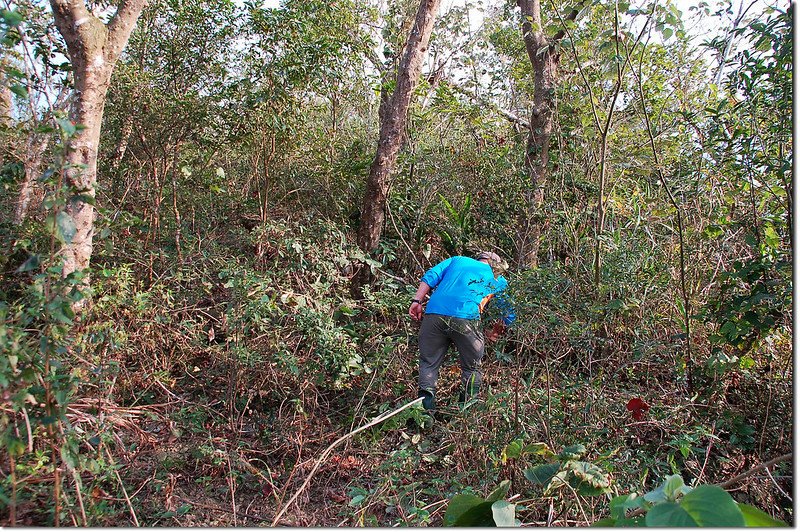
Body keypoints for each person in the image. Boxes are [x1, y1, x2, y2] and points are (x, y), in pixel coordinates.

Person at [408, 250, 516, 414]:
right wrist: (498, 331)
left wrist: (417, 301)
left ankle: (424, 413)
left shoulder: (457, 260)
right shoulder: (498, 277)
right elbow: (508, 311)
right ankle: (464, 414)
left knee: (428, 363)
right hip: (467, 319)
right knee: (472, 368)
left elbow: (431, 275)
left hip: (434, 315)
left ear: (478, 259)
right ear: (496, 264)